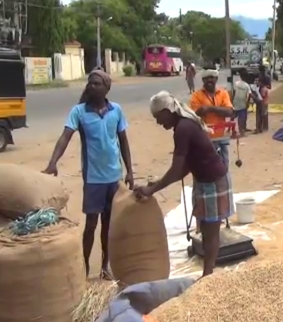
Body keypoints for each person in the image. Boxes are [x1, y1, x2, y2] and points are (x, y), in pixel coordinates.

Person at [42, 69, 134, 280]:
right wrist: (52, 163)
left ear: (106, 88)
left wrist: (130, 171)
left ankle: (104, 266)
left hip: (114, 177)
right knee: (91, 225)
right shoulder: (79, 112)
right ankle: (84, 268)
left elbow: (123, 141)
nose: (91, 86)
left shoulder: (116, 110)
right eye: (90, 83)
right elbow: (65, 137)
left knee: (108, 225)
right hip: (93, 179)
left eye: (96, 84)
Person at [135, 91, 231, 278]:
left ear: (167, 111)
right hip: (204, 180)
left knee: (211, 232)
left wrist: (152, 189)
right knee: (206, 230)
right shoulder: (183, 126)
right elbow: (185, 167)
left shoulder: (183, 129)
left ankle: (208, 276)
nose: (158, 122)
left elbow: (177, 168)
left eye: (158, 117)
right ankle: (208, 273)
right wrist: (157, 184)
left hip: (212, 181)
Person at [189, 68, 235, 166]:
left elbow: (230, 111)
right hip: (204, 139)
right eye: (206, 78)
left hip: (221, 138)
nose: (209, 80)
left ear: (216, 79)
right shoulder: (196, 96)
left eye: (212, 78)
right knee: (208, 168)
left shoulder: (223, 93)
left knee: (224, 167)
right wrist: (218, 110)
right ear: (203, 80)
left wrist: (209, 109)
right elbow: (193, 115)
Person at [230, 70, 251, 137]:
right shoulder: (247, 85)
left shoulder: (236, 83)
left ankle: (233, 131)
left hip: (235, 103)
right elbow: (249, 95)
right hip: (242, 104)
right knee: (241, 119)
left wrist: (231, 101)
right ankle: (241, 132)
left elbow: (233, 93)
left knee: (233, 117)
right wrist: (247, 103)